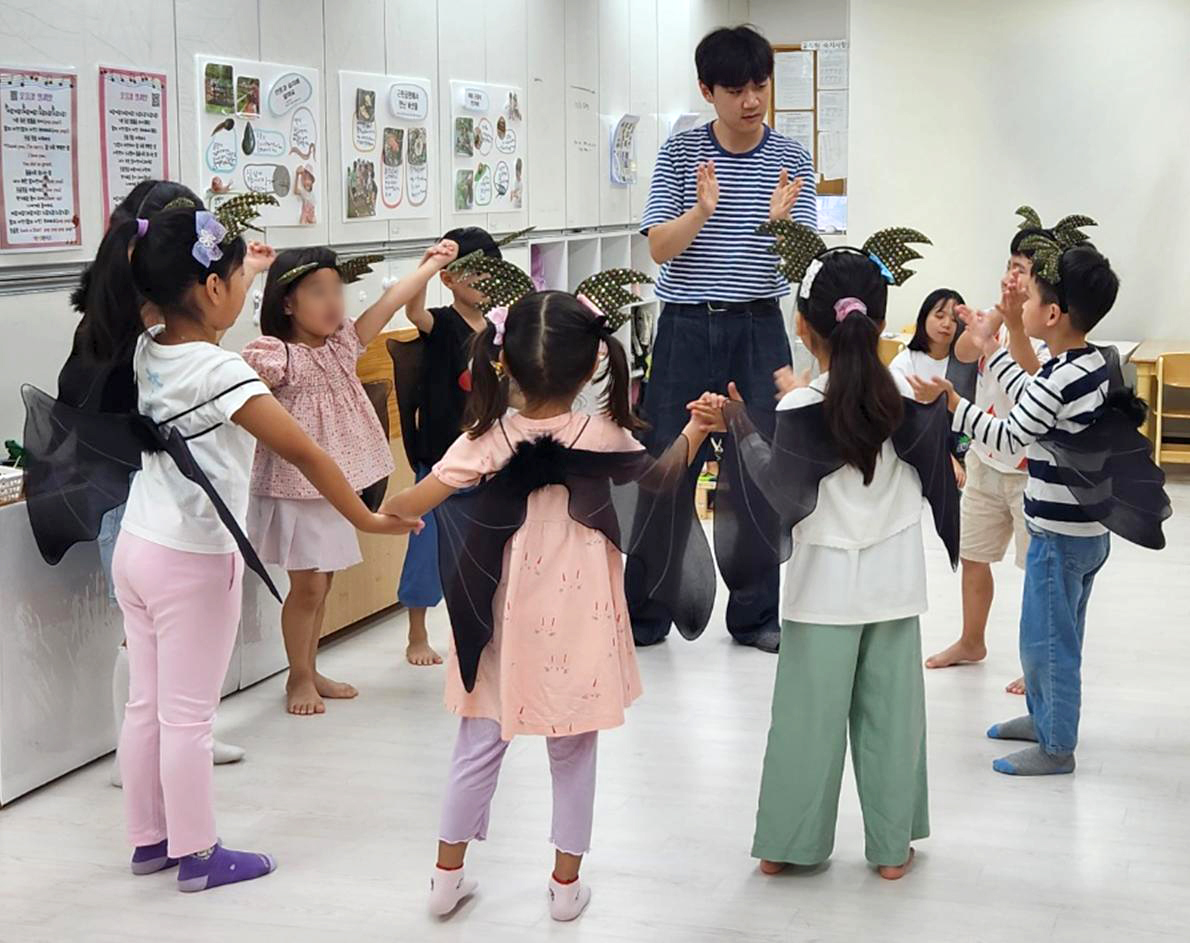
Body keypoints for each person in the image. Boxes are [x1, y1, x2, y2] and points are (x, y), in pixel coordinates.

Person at [81, 199, 420, 890]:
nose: (246, 289)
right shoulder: (223, 372)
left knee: (145, 705)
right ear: (211, 289)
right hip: (193, 560)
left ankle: (150, 841)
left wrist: (230, 258)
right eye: (240, 276)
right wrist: (369, 518)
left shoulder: (147, 345)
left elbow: (158, 297)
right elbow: (310, 453)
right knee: (189, 717)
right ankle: (200, 855)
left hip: (138, 548)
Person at [381, 289, 714, 921]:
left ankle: (446, 882)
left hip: (499, 621)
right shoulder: (605, 434)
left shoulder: (483, 441)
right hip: (581, 623)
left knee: (477, 744)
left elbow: (406, 507)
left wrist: (405, 520)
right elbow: (663, 485)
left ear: (501, 361)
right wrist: (696, 430)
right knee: (574, 752)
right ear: (593, 365)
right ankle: (565, 891)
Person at [695, 237, 956, 882]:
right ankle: (892, 850)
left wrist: (740, 423)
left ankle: (787, 843)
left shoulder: (800, 407)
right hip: (896, 583)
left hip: (822, 589)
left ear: (804, 328)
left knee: (806, 721)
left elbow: (777, 489)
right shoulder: (914, 393)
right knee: (892, 718)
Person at [909, 224, 1124, 776]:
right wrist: (988, 347)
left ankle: (1056, 746)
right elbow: (1032, 392)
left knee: (1048, 646)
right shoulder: (1090, 361)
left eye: (1029, 298)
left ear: (1052, 314)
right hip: (1087, 532)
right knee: (1047, 639)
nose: (1019, 303)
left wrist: (954, 403)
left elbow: (1010, 435)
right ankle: (1041, 717)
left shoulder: (1058, 375)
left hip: (1059, 536)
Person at [58, 179, 249, 786]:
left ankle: (179, 734)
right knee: (140, 641)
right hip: (133, 488)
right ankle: (135, 753)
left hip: (149, 486)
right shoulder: (132, 320)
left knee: (167, 643)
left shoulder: (136, 308)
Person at [634, 23, 818, 652]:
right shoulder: (682, 154)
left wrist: (779, 225)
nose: (751, 100)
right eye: (735, 88)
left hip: (758, 325)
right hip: (686, 324)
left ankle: (756, 616)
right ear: (706, 90)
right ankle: (648, 612)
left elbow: (801, 269)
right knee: (666, 461)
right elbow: (660, 248)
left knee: (759, 467)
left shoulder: (792, 158)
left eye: (760, 85)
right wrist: (702, 211)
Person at [243, 240, 457, 715]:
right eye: (316, 292)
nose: (332, 303)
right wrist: (247, 270)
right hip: (296, 489)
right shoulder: (275, 355)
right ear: (285, 302)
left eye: (337, 291)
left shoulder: (342, 345)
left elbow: (390, 300)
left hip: (337, 490)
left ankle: (309, 667)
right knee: (309, 587)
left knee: (326, 582)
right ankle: (298, 677)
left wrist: (429, 266)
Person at [922, 229, 1049, 694]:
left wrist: (1013, 322)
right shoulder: (997, 317)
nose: (1011, 276)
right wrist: (996, 314)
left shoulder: (1047, 321)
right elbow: (962, 351)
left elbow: (1032, 377)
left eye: (1022, 270)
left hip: (1029, 470)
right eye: (1009, 265)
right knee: (973, 556)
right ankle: (971, 641)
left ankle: (1036, 661)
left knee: (1037, 571)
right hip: (984, 458)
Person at [396, 227, 501, 668]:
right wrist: (427, 266)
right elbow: (413, 309)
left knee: (486, 545)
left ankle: (481, 622)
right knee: (426, 545)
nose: (481, 281)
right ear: (449, 279)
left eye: (489, 272)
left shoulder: (502, 327)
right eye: (470, 273)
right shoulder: (440, 321)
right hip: (442, 454)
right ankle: (416, 631)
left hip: (491, 454)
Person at [888, 287, 976, 486]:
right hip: (919, 454)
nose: (946, 324)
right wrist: (946, 458)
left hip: (968, 454)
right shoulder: (904, 363)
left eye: (955, 320)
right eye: (939, 315)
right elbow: (907, 423)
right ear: (924, 317)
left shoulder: (967, 364)